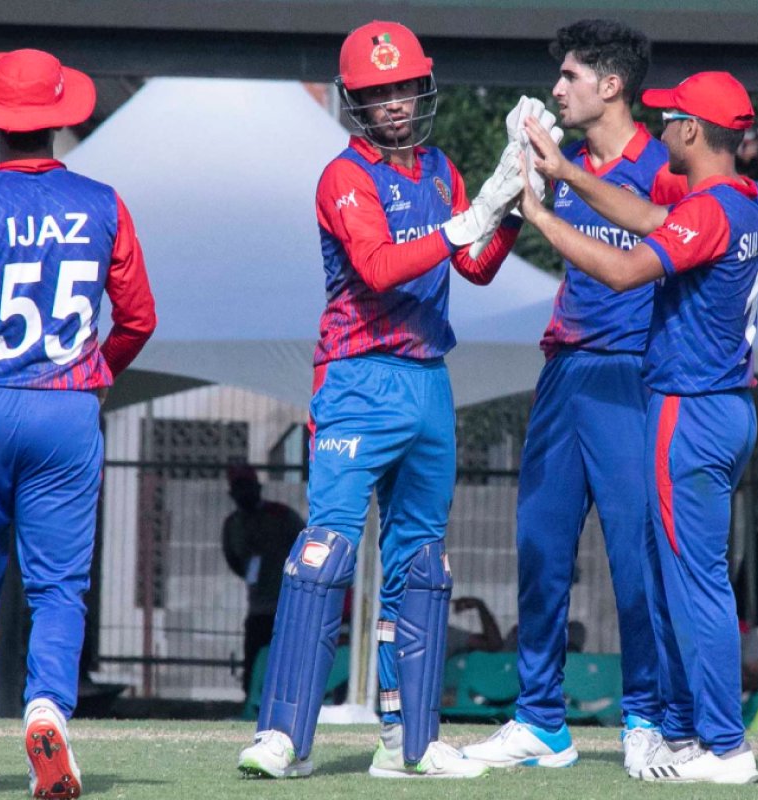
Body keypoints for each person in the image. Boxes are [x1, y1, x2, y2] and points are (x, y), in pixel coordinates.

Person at [236, 19, 553, 780]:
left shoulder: (440, 171)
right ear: (356, 102)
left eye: (405, 88)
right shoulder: (343, 177)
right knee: (326, 553)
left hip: (427, 378)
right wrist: (468, 220)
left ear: (422, 87)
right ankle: (284, 737)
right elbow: (378, 267)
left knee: (423, 563)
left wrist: (512, 203)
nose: (396, 104)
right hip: (357, 376)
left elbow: (473, 266)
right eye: (379, 93)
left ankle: (408, 742)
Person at [518, 69, 758, 784]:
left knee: (694, 584)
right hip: (727, 408)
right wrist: (568, 172)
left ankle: (724, 747)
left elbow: (627, 271)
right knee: (683, 578)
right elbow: (654, 220)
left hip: (689, 409)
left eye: (670, 117)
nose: (661, 126)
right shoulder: (742, 200)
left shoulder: (708, 209)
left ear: (692, 131)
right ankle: (688, 735)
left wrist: (542, 218)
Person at [462, 19, 686, 777]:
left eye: (570, 76)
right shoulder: (563, 163)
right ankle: (540, 721)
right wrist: (510, 176)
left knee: (636, 559)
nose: (556, 89)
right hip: (563, 372)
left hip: (632, 375)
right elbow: (480, 256)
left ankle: (645, 718)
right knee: (539, 549)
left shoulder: (663, 168)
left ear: (611, 85)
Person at [0, 48, 156, 799]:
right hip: (66, 406)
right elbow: (138, 316)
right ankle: (47, 710)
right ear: (59, 121)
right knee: (58, 587)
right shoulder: (102, 203)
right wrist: (96, 376)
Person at [222, 465, 303, 694]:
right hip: (259, 609)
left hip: (287, 606)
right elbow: (233, 559)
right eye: (239, 488)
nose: (244, 493)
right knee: (255, 671)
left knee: (287, 668)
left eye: (247, 486)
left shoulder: (281, 516)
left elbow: (305, 546)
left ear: (258, 487)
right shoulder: (233, 524)